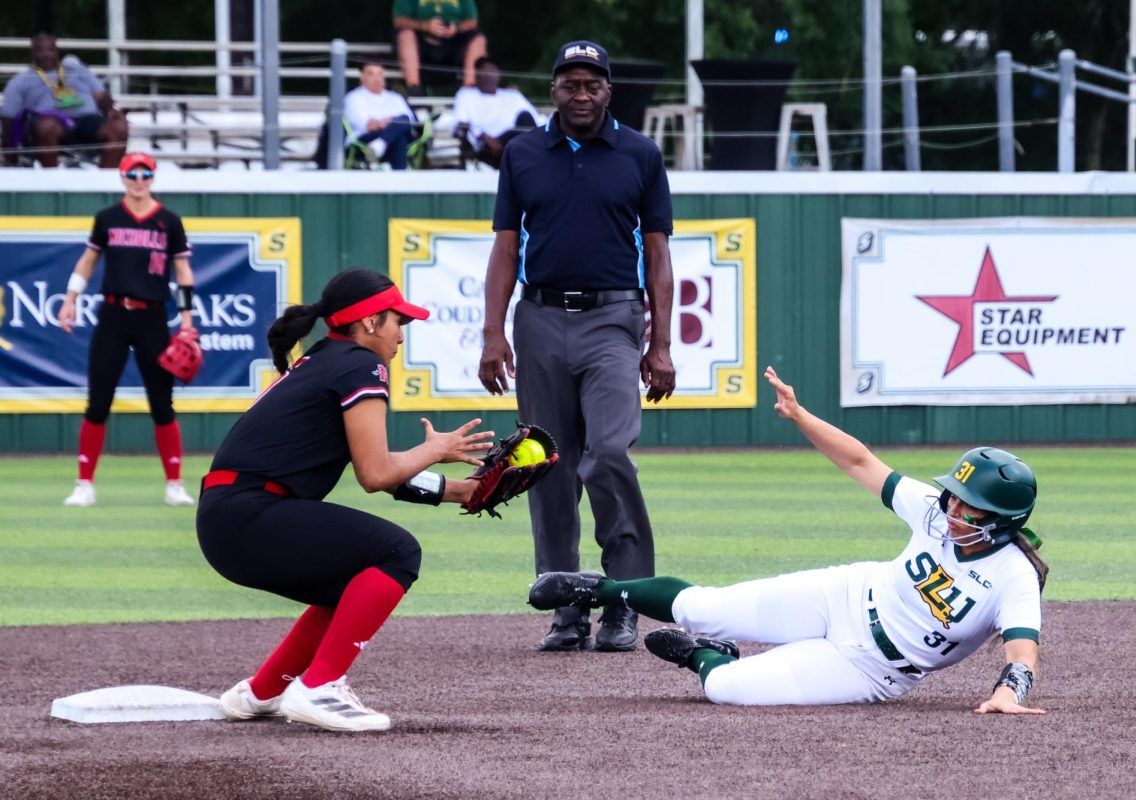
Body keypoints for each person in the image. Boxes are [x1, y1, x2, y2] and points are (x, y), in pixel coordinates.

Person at [529, 366, 1049, 713]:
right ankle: (598, 589)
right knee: (704, 604)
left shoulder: (1013, 575)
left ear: (1002, 519)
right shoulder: (936, 515)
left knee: (725, 688)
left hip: (872, 669)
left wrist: (1010, 690)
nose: (952, 507)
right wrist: (800, 416)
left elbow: (1022, 649)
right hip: (846, 594)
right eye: (953, 495)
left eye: (968, 504)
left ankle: (700, 655)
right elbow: (860, 460)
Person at [198, 267, 495, 732]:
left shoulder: (327, 358)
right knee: (397, 552)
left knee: (354, 573)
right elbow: (376, 474)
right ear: (371, 322)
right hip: (250, 514)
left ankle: (263, 691)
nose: (402, 336)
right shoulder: (360, 363)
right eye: (399, 322)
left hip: (231, 517)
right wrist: (436, 449)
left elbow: (376, 470)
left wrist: (461, 492)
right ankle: (319, 687)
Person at [478, 40, 676, 653]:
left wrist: (661, 344)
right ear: (554, 89)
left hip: (614, 316)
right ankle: (564, 606)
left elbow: (661, 255)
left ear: (608, 91)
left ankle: (623, 599)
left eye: (593, 83)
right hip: (537, 317)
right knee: (544, 462)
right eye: (570, 83)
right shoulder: (523, 153)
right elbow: (506, 248)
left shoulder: (639, 153)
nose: (582, 93)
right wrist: (492, 334)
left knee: (610, 450)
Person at [58, 152, 197, 508]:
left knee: (161, 404)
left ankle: (175, 484)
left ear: (153, 177)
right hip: (114, 315)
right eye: (132, 173)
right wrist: (70, 298)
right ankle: (84, 483)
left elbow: (182, 272)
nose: (139, 180)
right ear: (122, 177)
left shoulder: (168, 220)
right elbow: (88, 261)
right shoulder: (108, 218)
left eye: (145, 173)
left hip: (152, 316)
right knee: (99, 401)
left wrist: (186, 321)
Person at [1, 32, 128, 168]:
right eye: (40, 50)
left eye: (50, 49)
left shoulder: (79, 71)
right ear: (33, 53)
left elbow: (101, 96)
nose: (46, 54)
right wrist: (10, 158)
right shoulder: (21, 80)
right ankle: (52, 180)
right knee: (47, 126)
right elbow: (9, 119)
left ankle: (104, 180)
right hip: (50, 123)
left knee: (118, 126)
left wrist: (110, 110)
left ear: (56, 51)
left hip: (87, 119)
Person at [450, 56, 539, 168]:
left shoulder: (512, 95)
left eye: (492, 70)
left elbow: (536, 120)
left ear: (499, 75)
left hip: (516, 140)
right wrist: (484, 137)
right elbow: (461, 124)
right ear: (477, 75)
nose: (488, 75)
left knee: (525, 118)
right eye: (484, 70)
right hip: (487, 146)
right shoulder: (466, 94)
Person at [393, 0, 487, 95]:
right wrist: (424, 26)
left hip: (453, 44)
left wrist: (457, 28)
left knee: (478, 40)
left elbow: (472, 21)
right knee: (405, 35)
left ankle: (469, 91)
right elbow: (399, 20)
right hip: (420, 43)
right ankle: (414, 88)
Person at [343, 61, 418, 170]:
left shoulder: (395, 97)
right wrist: (391, 122)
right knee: (399, 134)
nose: (376, 78)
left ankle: (380, 144)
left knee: (402, 127)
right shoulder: (353, 97)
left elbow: (409, 121)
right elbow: (369, 125)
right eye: (371, 74)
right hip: (365, 140)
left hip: (381, 144)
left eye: (379, 74)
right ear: (361, 76)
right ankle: (400, 179)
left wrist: (386, 124)